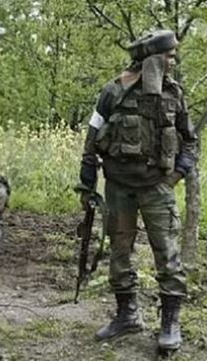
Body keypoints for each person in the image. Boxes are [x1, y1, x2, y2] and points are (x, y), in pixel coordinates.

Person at [77, 30, 197, 352]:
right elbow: (92, 138)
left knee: (167, 255)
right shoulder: (112, 91)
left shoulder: (174, 94)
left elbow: (190, 142)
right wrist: (86, 182)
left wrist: (175, 176)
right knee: (119, 252)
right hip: (118, 188)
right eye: (168, 57)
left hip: (157, 187)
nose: (172, 62)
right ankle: (127, 315)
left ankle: (169, 323)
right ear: (151, 59)